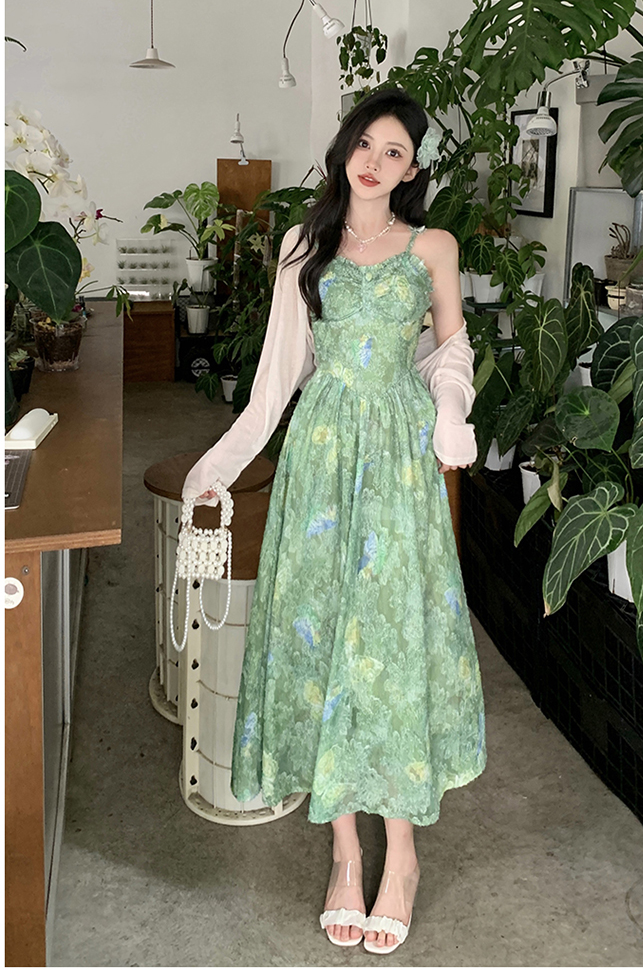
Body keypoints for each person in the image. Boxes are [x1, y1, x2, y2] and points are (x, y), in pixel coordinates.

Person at [182, 87, 486, 954]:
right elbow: (277, 380)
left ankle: (404, 857)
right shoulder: (302, 245)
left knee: (389, 643)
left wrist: (452, 408)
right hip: (320, 459)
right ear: (344, 148)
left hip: (396, 461)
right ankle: (347, 854)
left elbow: (449, 348)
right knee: (320, 640)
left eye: (395, 152)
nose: (375, 162)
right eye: (365, 143)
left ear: (413, 170)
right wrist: (217, 466)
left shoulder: (432, 246)